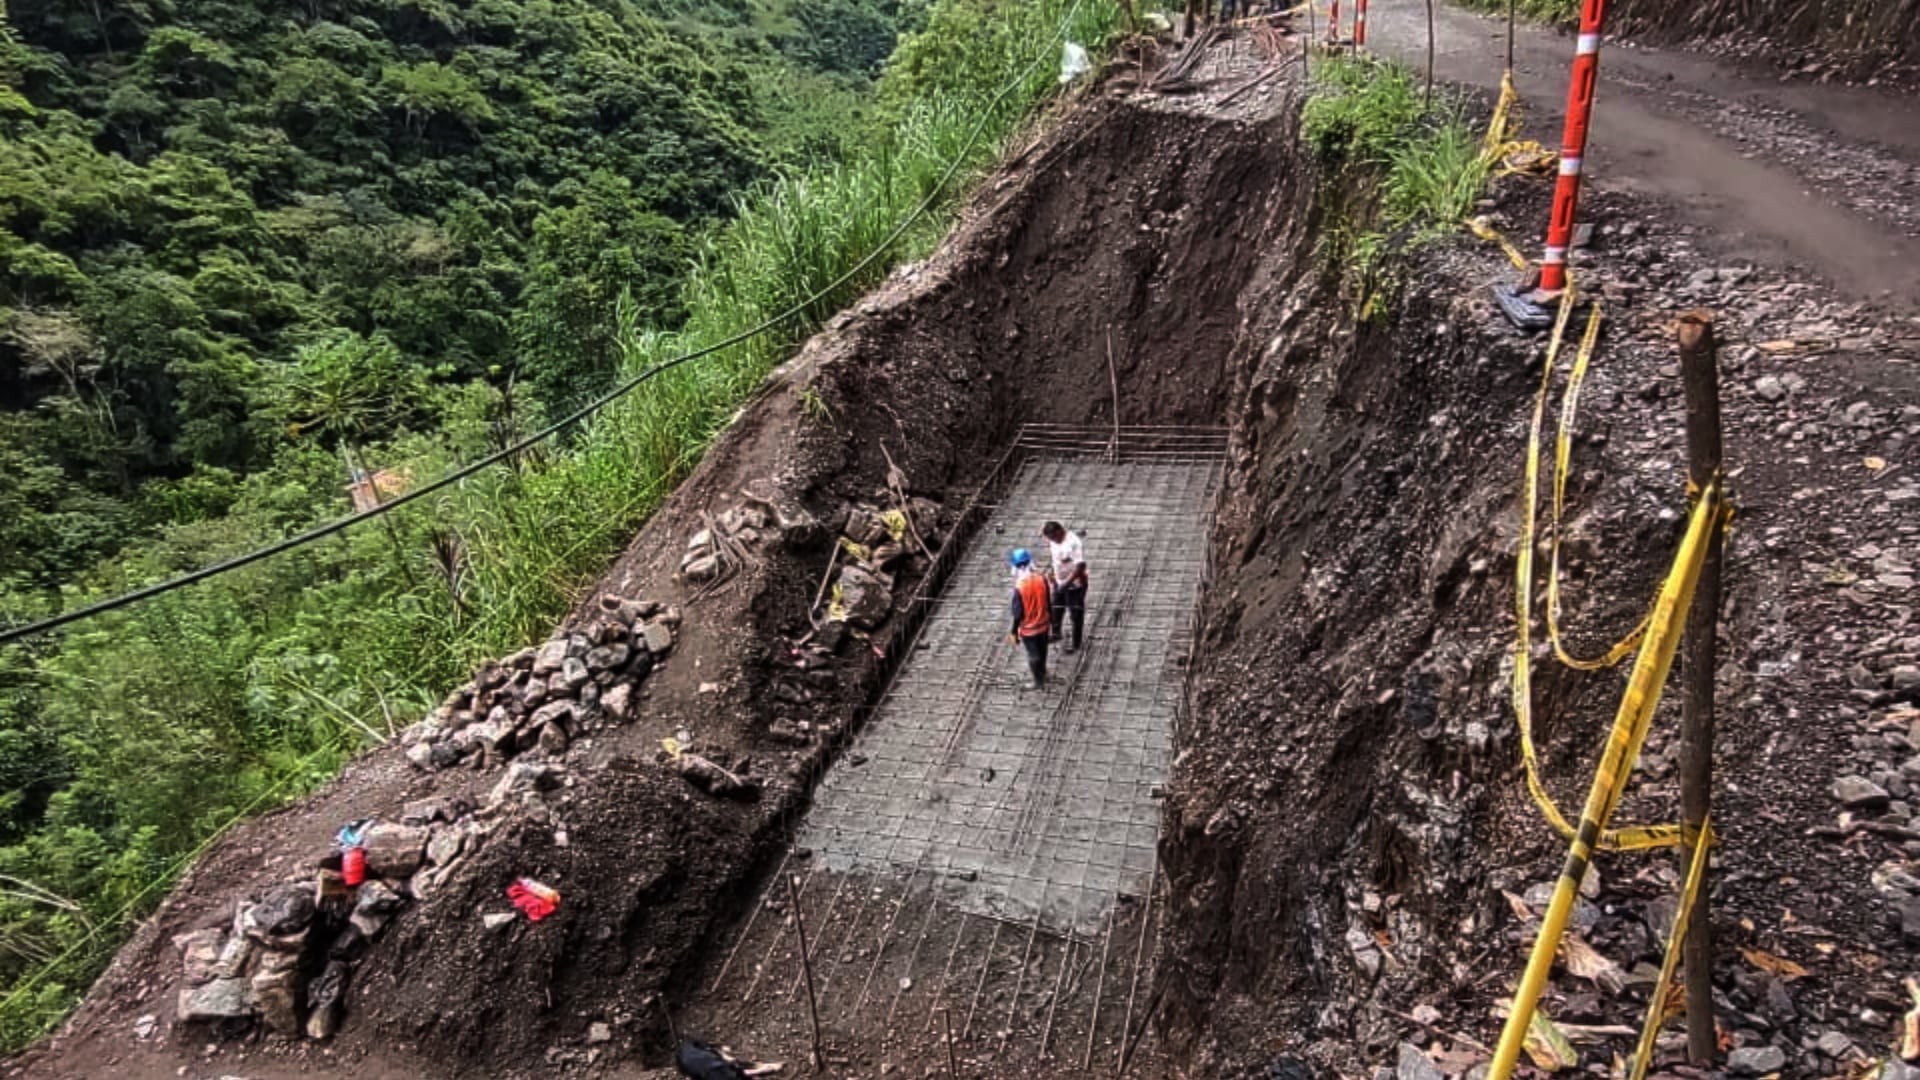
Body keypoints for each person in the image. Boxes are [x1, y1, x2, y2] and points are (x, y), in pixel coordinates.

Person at [1007, 548, 1052, 690]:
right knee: (1043, 650)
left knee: (1033, 655)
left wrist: (1014, 632)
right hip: (1044, 623)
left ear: (1015, 567)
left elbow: (1018, 614)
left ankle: (1038, 682)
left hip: (1029, 628)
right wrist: (1051, 620)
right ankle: (1043, 671)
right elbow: (1048, 601)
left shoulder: (1019, 587)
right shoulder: (1041, 579)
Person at [1042, 522, 1087, 653]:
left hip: (1075, 584)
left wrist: (1067, 583)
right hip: (1059, 581)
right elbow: (1056, 559)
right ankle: (1056, 633)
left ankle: (1076, 644)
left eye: (1054, 538)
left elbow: (1080, 566)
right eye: (1050, 539)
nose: (1052, 541)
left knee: (1076, 614)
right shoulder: (1052, 541)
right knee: (1056, 609)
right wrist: (1052, 572)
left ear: (1060, 531)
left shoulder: (1074, 542)